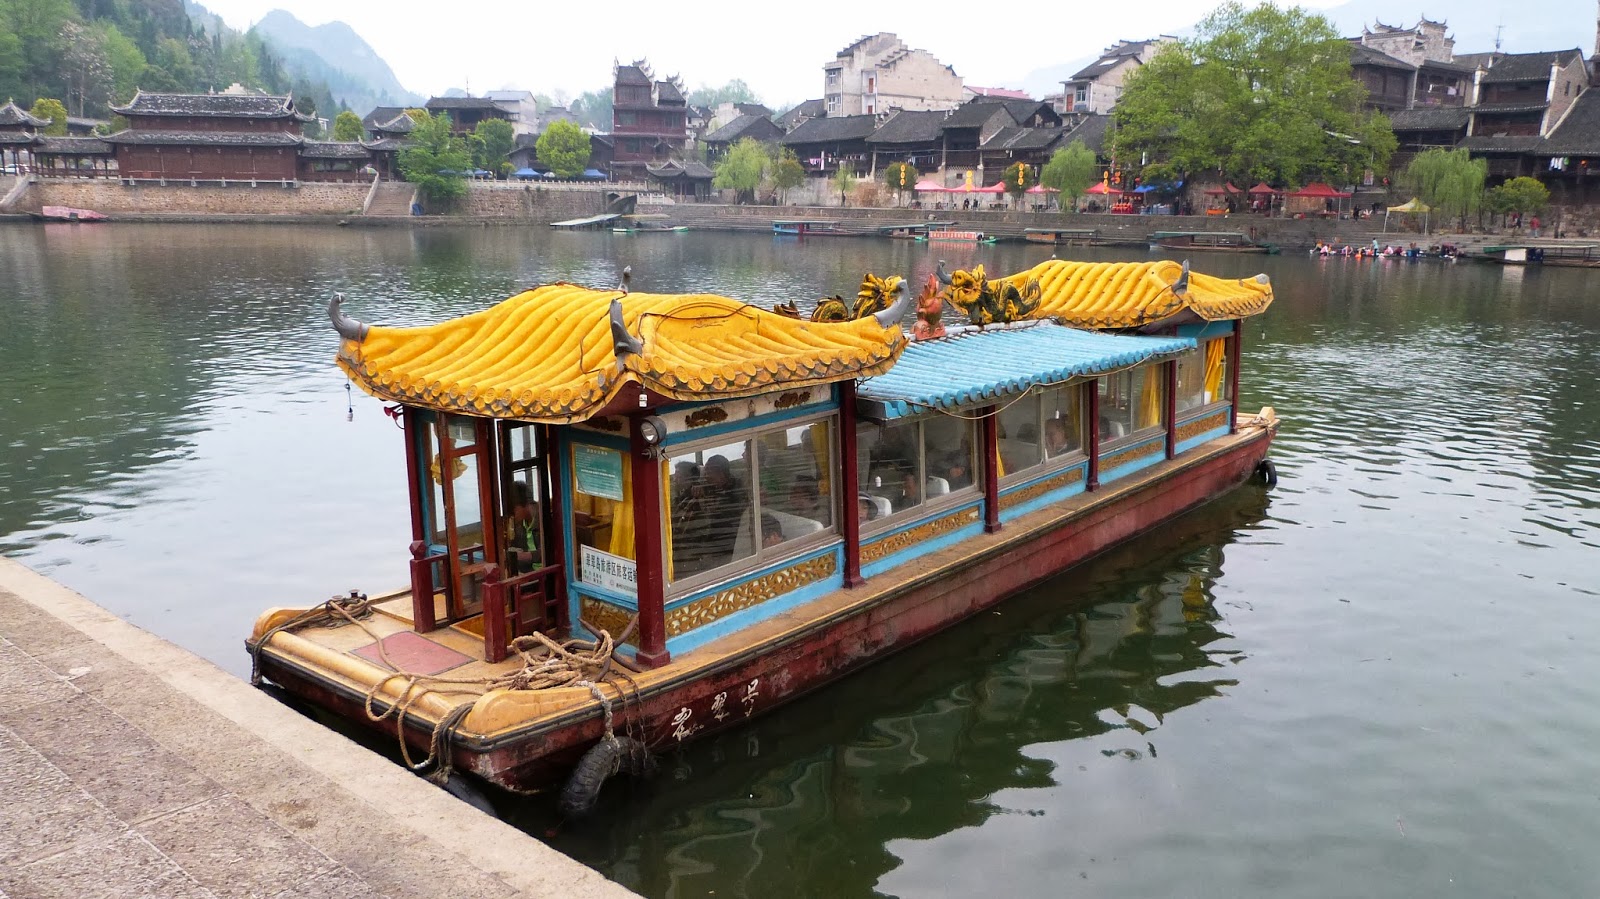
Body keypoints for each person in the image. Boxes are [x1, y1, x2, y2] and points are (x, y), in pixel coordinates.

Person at [505, 481, 539, 574]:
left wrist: (523, 556)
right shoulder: (520, 524)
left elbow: (550, 551)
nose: (512, 515)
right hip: (529, 572)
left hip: (546, 572)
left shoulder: (543, 519)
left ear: (525, 505)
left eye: (514, 510)